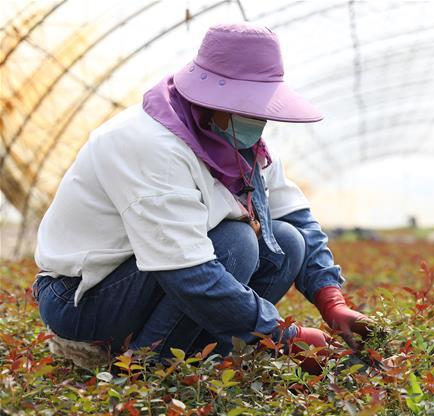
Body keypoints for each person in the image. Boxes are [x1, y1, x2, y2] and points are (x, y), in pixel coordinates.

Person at [30, 23, 373, 371]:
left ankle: (205, 357)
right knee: (235, 244)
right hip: (81, 298)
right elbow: (188, 271)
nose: (258, 119)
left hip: (153, 276)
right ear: (208, 98)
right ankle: (148, 368)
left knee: (287, 243)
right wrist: (284, 337)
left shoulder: (246, 147)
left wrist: (331, 299)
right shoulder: (149, 144)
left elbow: (295, 216)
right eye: (247, 106)